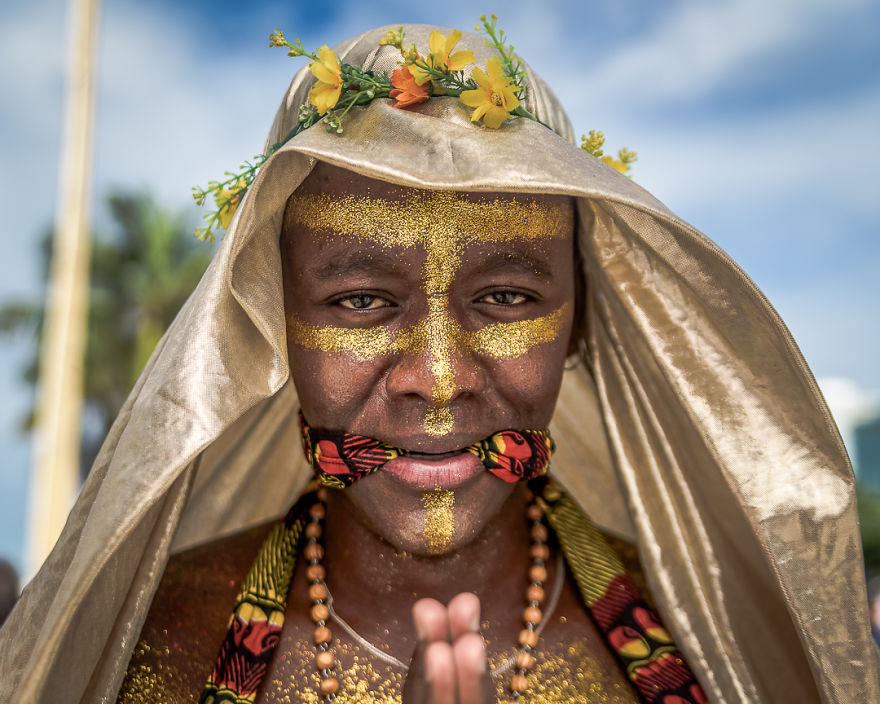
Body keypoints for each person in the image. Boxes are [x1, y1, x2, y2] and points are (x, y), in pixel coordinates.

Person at [1, 22, 877, 704]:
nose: (439, 376)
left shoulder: (712, 637)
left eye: (505, 299)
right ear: (278, 332)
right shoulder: (152, 643)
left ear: (579, 325)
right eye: (358, 302)